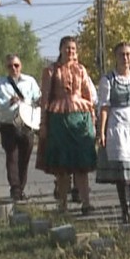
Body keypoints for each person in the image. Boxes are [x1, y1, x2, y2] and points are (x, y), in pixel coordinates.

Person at [39, 35, 98, 215]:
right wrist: (43, 123)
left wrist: (92, 119)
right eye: (67, 48)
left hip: (80, 119)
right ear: (60, 49)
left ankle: (86, 203)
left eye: (73, 48)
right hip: (59, 120)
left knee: (81, 165)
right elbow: (45, 98)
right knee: (62, 166)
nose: (70, 51)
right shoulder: (51, 71)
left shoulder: (81, 70)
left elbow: (88, 95)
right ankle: (62, 205)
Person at [96, 42, 130, 224]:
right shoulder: (108, 79)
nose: (125, 58)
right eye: (122, 54)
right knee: (122, 167)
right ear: (115, 57)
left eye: (128, 54)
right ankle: (125, 208)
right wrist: (101, 131)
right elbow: (104, 107)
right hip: (117, 123)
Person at [0, 53, 41, 201]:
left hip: (27, 125)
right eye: (10, 66)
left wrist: (35, 106)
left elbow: (38, 98)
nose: (13, 68)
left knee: (24, 159)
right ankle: (15, 189)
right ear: (6, 68)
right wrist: (8, 102)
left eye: (16, 65)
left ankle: (21, 188)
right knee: (12, 156)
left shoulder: (30, 81)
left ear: (21, 66)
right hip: (9, 124)